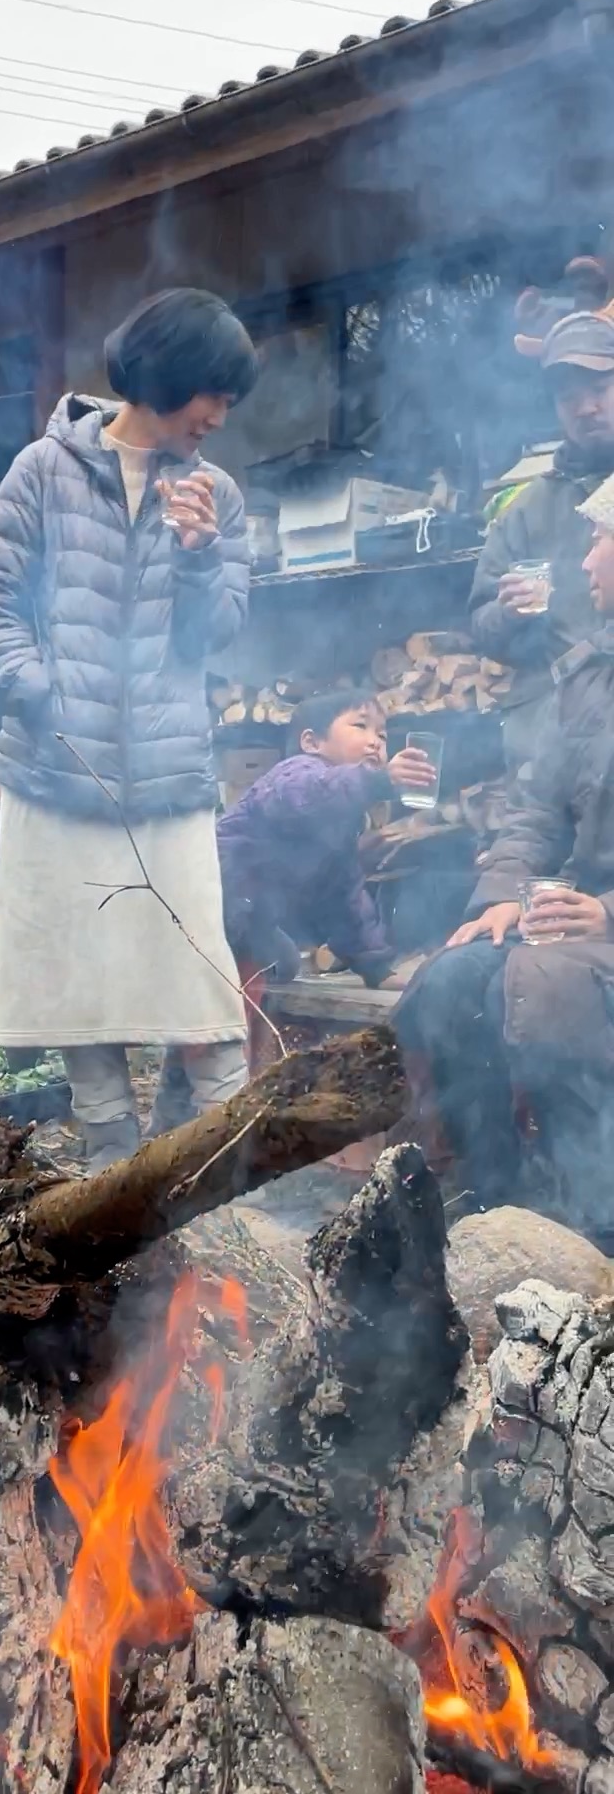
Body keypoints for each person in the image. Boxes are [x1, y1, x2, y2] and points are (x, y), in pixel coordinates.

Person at [0, 287, 258, 1167]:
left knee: (199, 980)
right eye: (214, 395)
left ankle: (234, 1163)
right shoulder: (41, 471)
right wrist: (35, 689)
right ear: (171, 374)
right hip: (55, 772)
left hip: (169, 777)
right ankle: (110, 1159)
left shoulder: (217, 494)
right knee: (76, 984)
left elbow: (217, 635)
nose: (219, 417)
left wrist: (201, 556)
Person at [395, 468, 614, 1243]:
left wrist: (605, 912)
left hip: (599, 924)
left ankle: (595, 1218)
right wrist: (501, 896)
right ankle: (495, 1201)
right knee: (450, 980)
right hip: (571, 912)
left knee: (543, 986)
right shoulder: (588, 679)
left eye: (600, 538)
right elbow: (535, 810)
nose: (585, 559)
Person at [150, 691, 436, 1131]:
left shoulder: (342, 818)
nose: (376, 741)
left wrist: (375, 966)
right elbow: (305, 797)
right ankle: (207, 1119)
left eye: (382, 734)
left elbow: (344, 895)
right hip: (215, 909)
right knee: (223, 1021)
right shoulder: (295, 776)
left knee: (280, 965)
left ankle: (177, 1107)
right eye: (360, 726)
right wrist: (378, 782)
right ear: (311, 741)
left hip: (252, 919)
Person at [469, 285, 614, 776]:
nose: (585, 408)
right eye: (569, 397)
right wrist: (508, 615)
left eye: (599, 390)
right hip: (553, 750)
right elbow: (483, 626)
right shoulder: (527, 509)